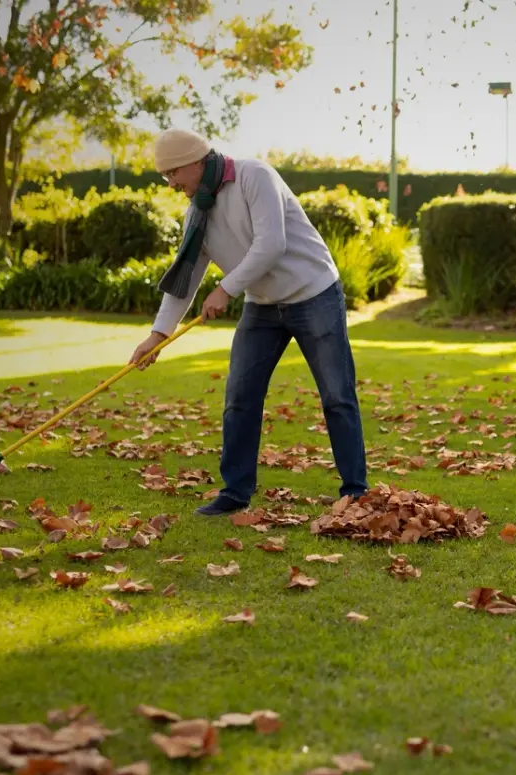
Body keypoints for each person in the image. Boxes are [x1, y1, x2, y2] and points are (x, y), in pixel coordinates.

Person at [130, 128, 369, 516]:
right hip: (262, 306)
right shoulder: (198, 211)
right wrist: (158, 334)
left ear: (194, 161)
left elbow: (270, 243)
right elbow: (184, 280)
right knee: (239, 397)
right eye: (166, 177)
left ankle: (357, 492)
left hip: (314, 294)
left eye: (173, 173)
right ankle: (235, 493)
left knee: (337, 396)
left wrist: (226, 289)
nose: (171, 183)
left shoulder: (254, 176)